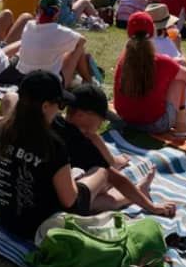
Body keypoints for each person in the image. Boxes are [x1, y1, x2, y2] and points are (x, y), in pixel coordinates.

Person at [0, 72, 158, 240]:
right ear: (45, 106)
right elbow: (70, 201)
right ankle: (135, 193)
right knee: (100, 175)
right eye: (59, 105)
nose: (61, 110)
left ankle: (130, 193)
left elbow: (10, 99)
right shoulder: (53, 144)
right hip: (38, 227)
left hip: (3, 218)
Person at [52, 82, 177, 216]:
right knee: (101, 178)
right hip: (63, 203)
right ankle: (137, 193)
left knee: (93, 197)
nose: (101, 124)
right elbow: (116, 178)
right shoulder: (80, 142)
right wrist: (151, 207)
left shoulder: (54, 123)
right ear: (82, 114)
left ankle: (136, 192)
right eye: (101, 119)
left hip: (51, 201)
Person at [113, 11, 186, 133]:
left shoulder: (122, 61)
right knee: (179, 81)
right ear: (152, 31)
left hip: (125, 119)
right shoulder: (163, 62)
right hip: (156, 124)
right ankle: (181, 125)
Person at [14, 0, 89, 86]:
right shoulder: (58, 31)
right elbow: (82, 40)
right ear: (57, 12)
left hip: (25, 79)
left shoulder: (29, 25)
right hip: (50, 84)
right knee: (78, 46)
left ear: (39, 9)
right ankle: (88, 80)